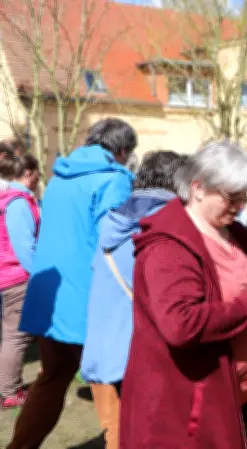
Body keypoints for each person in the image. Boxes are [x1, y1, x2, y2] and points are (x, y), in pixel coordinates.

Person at [119, 140, 247, 449]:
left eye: (245, 196)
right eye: (232, 196)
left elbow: (232, 292)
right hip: (184, 406)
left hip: (227, 393)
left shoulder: (235, 233)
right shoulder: (168, 246)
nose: (240, 206)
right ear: (198, 187)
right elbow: (180, 324)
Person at [9, 118, 136, 449]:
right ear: (122, 151)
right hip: (90, 302)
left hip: (51, 300)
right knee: (110, 386)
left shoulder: (58, 177)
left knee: (51, 379)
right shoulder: (114, 182)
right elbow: (114, 244)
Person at [80, 150, 186, 449]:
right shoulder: (167, 224)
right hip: (140, 353)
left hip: (103, 348)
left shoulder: (112, 220)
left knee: (116, 435)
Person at [0, 153, 40, 409]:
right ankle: (10, 391)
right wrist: (39, 275)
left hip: (7, 274)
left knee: (10, 335)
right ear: (27, 173)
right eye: (37, 173)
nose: (39, 178)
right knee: (16, 336)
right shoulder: (17, 203)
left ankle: (7, 386)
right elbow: (25, 247)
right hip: (17, 277)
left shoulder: (7, 199)